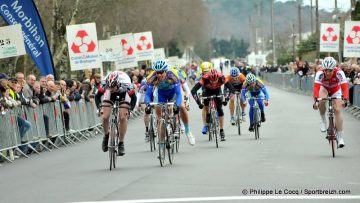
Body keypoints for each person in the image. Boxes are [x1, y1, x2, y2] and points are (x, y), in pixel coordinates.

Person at [144, 60, 195, 146]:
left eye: (161, 72)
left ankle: (188, 131)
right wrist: (148, 104)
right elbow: (148, 95)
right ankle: (161, 144)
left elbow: (179, 93)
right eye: (157, 72)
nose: (159, 75)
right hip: (161, 93)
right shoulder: (152, 77)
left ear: (166, 71)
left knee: (182, 107)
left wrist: (177, 105)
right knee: (160, 119)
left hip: (174, 92)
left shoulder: (173, 75)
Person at [95, 71, 137, 156]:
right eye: (109, 87)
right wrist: (99, 108)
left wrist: (130, 110)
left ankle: (121, 143)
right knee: (105, 116)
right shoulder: (105, 83)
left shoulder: (126, 84)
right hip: (110, 95)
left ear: (118, 84)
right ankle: (106, 135)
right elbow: (97, 96)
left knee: (122, 117)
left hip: (123, 94)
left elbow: (133, 98)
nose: (111, 88)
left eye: (113, 87)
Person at [312, 57, 348, 148]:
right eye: (326, 70)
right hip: (324, 88)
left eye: (330, 71)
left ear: (334, 69)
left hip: (336, 89)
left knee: (337, 109)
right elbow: (316, 88)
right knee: (322, 100)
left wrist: (345, 99)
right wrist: (316, 100)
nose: (327, 73)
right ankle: (323, 120)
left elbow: (344, 87)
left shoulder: (339, 73)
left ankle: (340, 137)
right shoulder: (320, 73)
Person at [191, 68, 234, 141]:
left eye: (215, 80)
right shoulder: (205, 78)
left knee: (220, 109)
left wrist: (226, 99)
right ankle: (208, 115)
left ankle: (221, 130)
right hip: (207, 90)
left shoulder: (221, 77)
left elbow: (232, 89)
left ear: (218, 78)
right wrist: (199, 103)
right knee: (206, 100)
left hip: (217, 90)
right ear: (209, 78)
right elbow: (193, 90)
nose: (214, 82)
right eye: (212, 80)